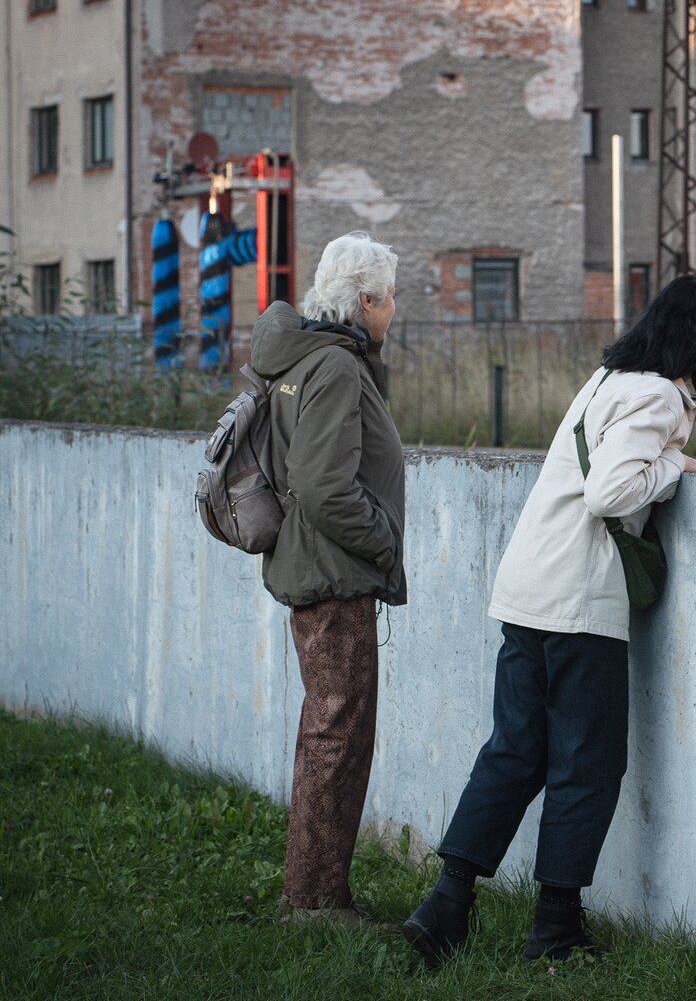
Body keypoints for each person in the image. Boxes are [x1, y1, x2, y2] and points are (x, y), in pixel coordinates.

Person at [404, 274, 696, 967]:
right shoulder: (657, 395)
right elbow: (610, 492)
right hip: (579, 602)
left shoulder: (609, 379)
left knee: (514, 751)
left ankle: (444, 906)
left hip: (529, 587)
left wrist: (667, 458)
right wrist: (675, 467)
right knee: (588, 763)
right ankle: (556, 930)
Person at [250, 231, 406, 924]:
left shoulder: (305, 357)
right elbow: (322, 487)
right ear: (365, 301)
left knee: (329, 731)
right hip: (334, 574)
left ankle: (313, 893)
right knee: (337, 737)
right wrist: (382, 542)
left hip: (314, 566)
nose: (394, 308)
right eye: (390, 296)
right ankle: (314, 902)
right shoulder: (337, 366)